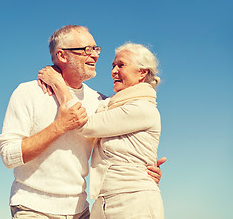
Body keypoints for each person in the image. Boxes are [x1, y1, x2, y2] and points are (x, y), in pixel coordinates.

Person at [0, 25, 164, 219]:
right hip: (33, 208)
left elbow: (128, 137)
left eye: (96, 49)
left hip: (80, 211)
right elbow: (9, 156)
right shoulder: (29, 93)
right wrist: (59, 126)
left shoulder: (101, 102)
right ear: (62, 55)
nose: (94, 55)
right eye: (86, 50)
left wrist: (147, 171)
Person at [37, 42, 164, 218]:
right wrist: (63, 71)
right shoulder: (110, 105)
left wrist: (58, 83)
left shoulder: (143, 108)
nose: (113, 71)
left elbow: (82, 122)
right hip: (104, 204)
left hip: (133, 202)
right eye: (113, 66)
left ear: (142, 72)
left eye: (121, 65)